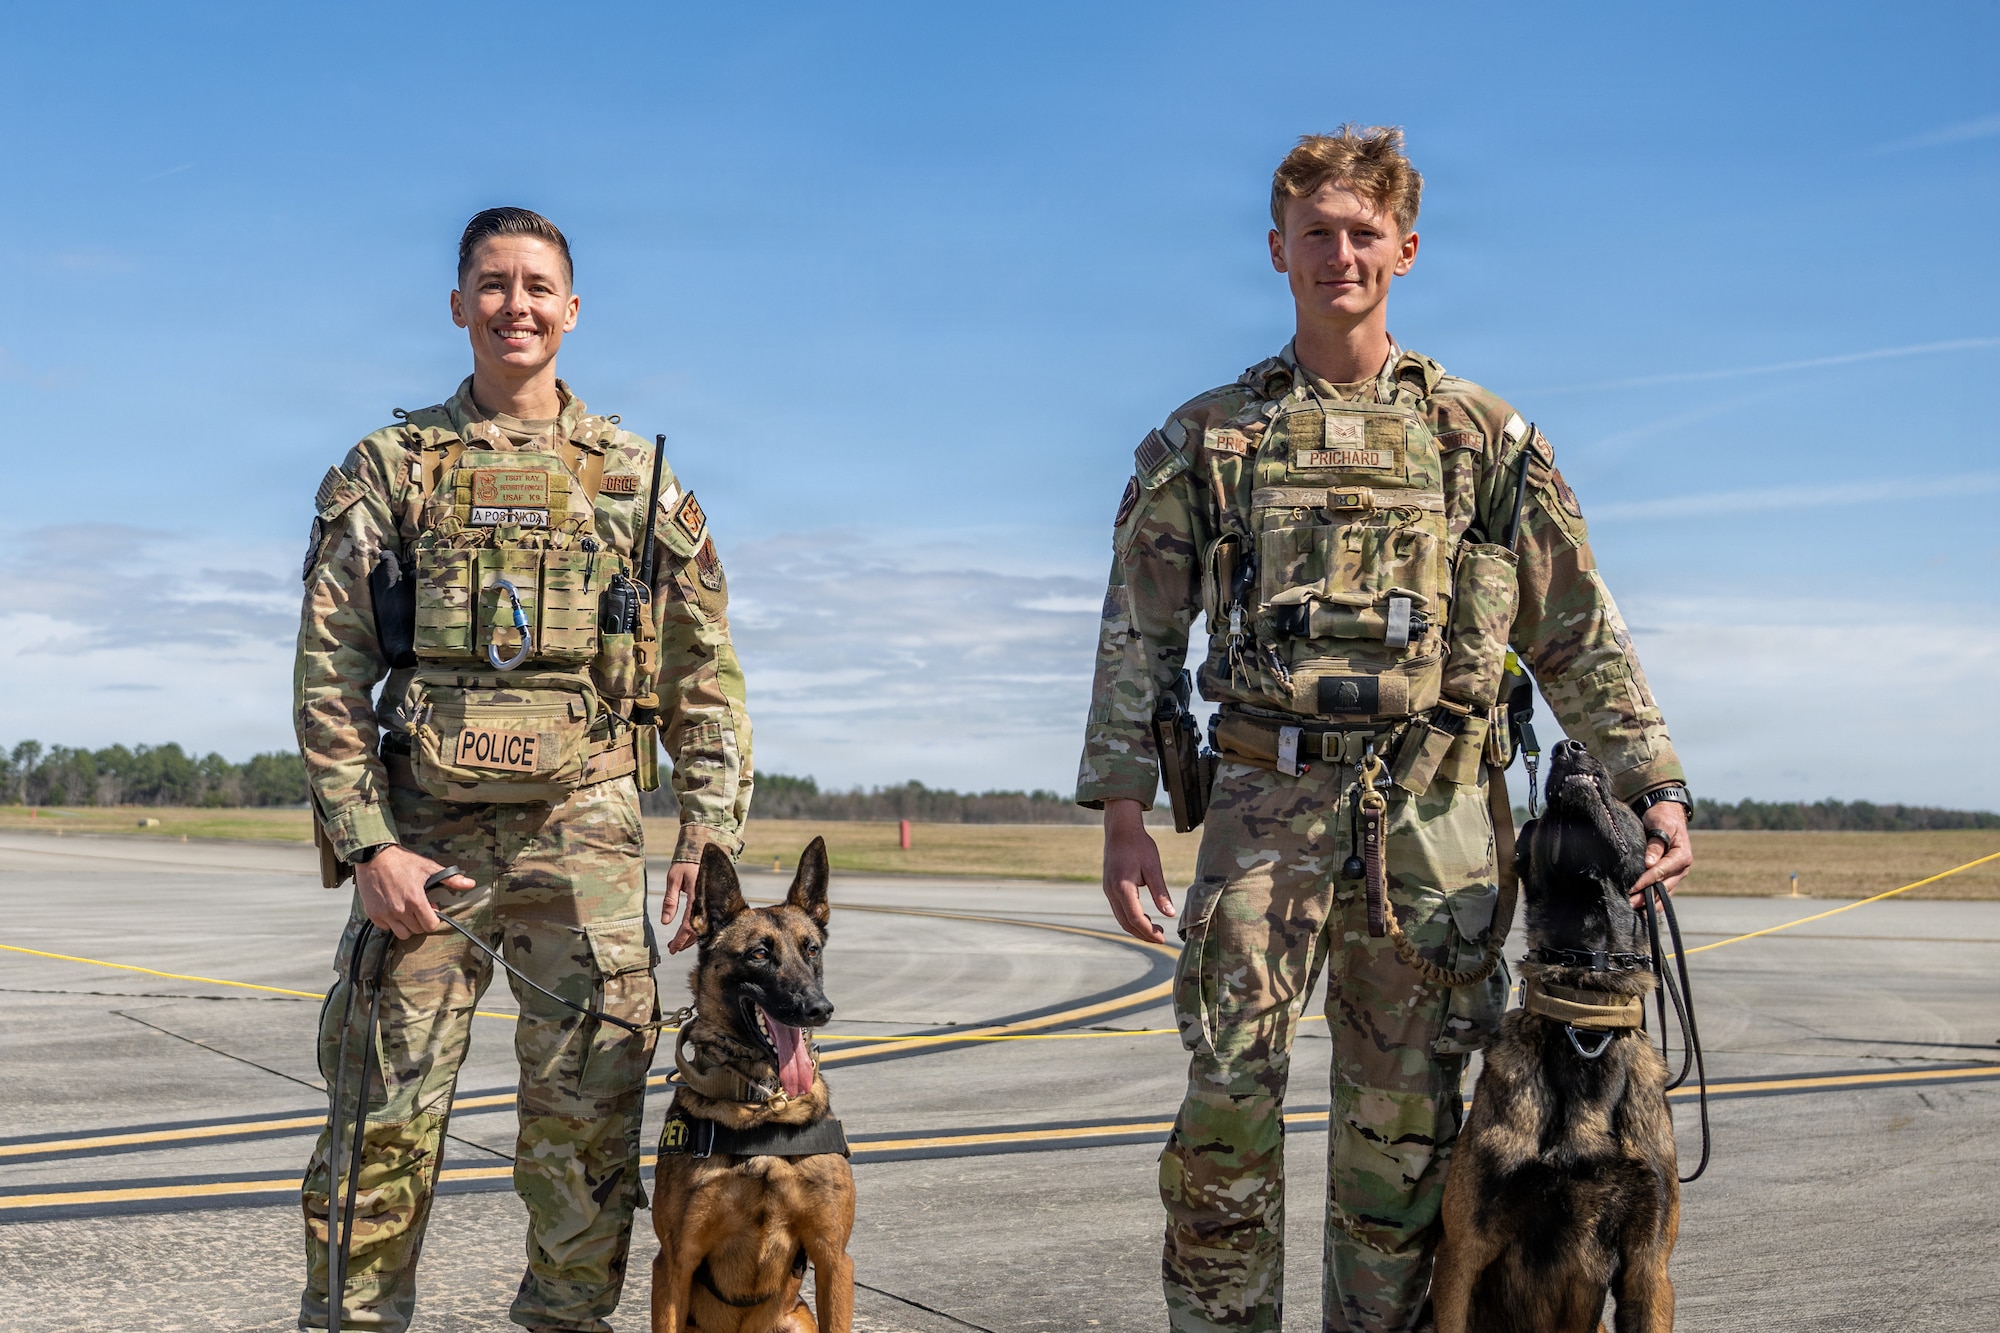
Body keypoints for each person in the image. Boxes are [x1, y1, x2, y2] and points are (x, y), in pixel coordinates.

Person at [1075, 127, 1694, 1333]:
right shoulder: (1210, 440)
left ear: (1404, 250)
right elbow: (1136, 632)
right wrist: (1120, 810)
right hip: (1261, 819)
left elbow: (1575, 625)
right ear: (1275, 250)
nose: (1339, 255)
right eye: (1316, 232)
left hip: (1431, 829)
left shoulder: (1480, 440)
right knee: (1223, 1124)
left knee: (1403, 1157)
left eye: (1363, 233)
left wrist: (1651, 778)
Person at [294, 206, 752, 1333]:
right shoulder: (389, 469)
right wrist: (366, 844)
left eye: (537, 285)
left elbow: (706, 677)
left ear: (573, 310)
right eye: (492, 284)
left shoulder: (635, 480)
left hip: (582, 844)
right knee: (378, 1136)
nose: (516, 305)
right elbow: (330, 669)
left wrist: (707, 837)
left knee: (586, 1144)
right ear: (457, 305)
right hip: (423, 850)